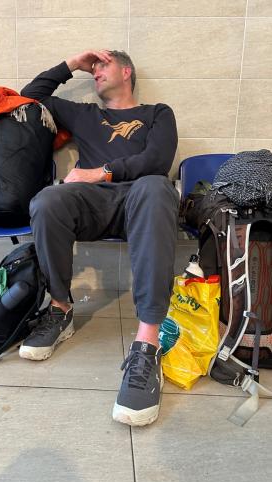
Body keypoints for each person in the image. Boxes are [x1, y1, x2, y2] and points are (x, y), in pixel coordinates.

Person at [19, 49, 179, 427]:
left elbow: (158, 160)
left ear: (127, 71)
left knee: (157, 187)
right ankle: (61, 309)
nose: (95, 72)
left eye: (102, 65)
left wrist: (101, 171)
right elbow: (28, 100)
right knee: (48, 200)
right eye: (92, 69)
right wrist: (71, 63)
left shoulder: (157, 113)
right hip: (91, 206)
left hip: (140, 199)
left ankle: (146, 343)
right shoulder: (86, 114)